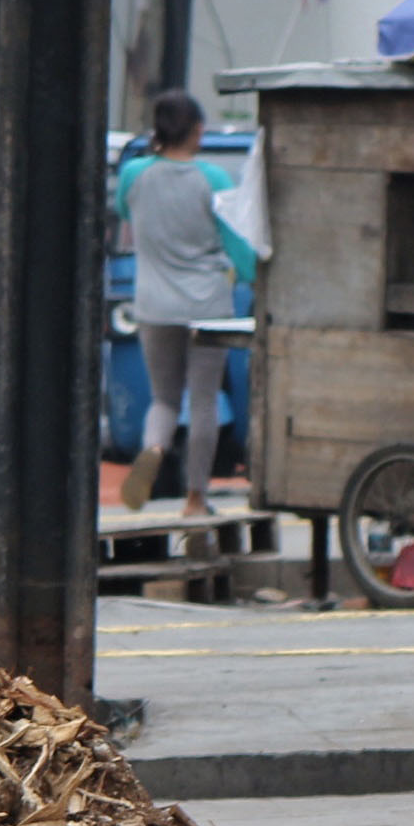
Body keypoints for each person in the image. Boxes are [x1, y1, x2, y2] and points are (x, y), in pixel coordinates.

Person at [115, 90, 256, 515]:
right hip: (207, 308)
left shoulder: (133, 175)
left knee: (164, 399)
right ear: (197, 130)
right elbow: (239, 249)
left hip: (154, 306)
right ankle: (196, 497)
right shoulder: (213, 180)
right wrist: (252, 274)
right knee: (204, 401)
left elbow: (125, 214)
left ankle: (154, 449)